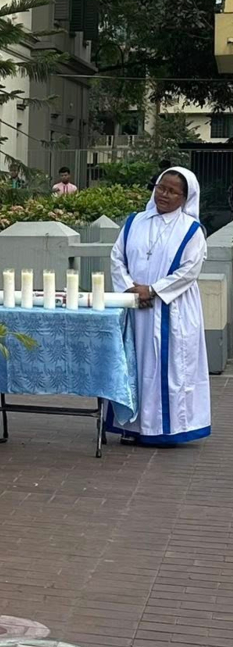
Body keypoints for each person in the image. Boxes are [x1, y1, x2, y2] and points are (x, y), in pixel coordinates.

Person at [107, 167, 211, 445]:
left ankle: (168, 429)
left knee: (169, 368)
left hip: (172, 309)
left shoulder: (191, 230)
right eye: (160, 187)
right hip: (135, 307)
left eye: (172, 191)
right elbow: (117, 257)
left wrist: (153, 290)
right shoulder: (134, 221)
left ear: (185, 197)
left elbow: (190, 271)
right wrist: (130, 288)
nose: (163, 194)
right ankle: (134, 425)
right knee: (135, 365)